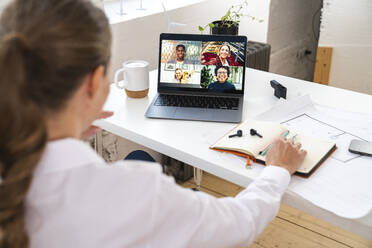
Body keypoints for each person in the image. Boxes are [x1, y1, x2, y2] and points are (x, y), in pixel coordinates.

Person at [0, 0, 306, 247]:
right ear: (93, 83)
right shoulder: (137, 194)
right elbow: (241, 223)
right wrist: (278, 171)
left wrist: (67, 127)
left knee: (139, 157)